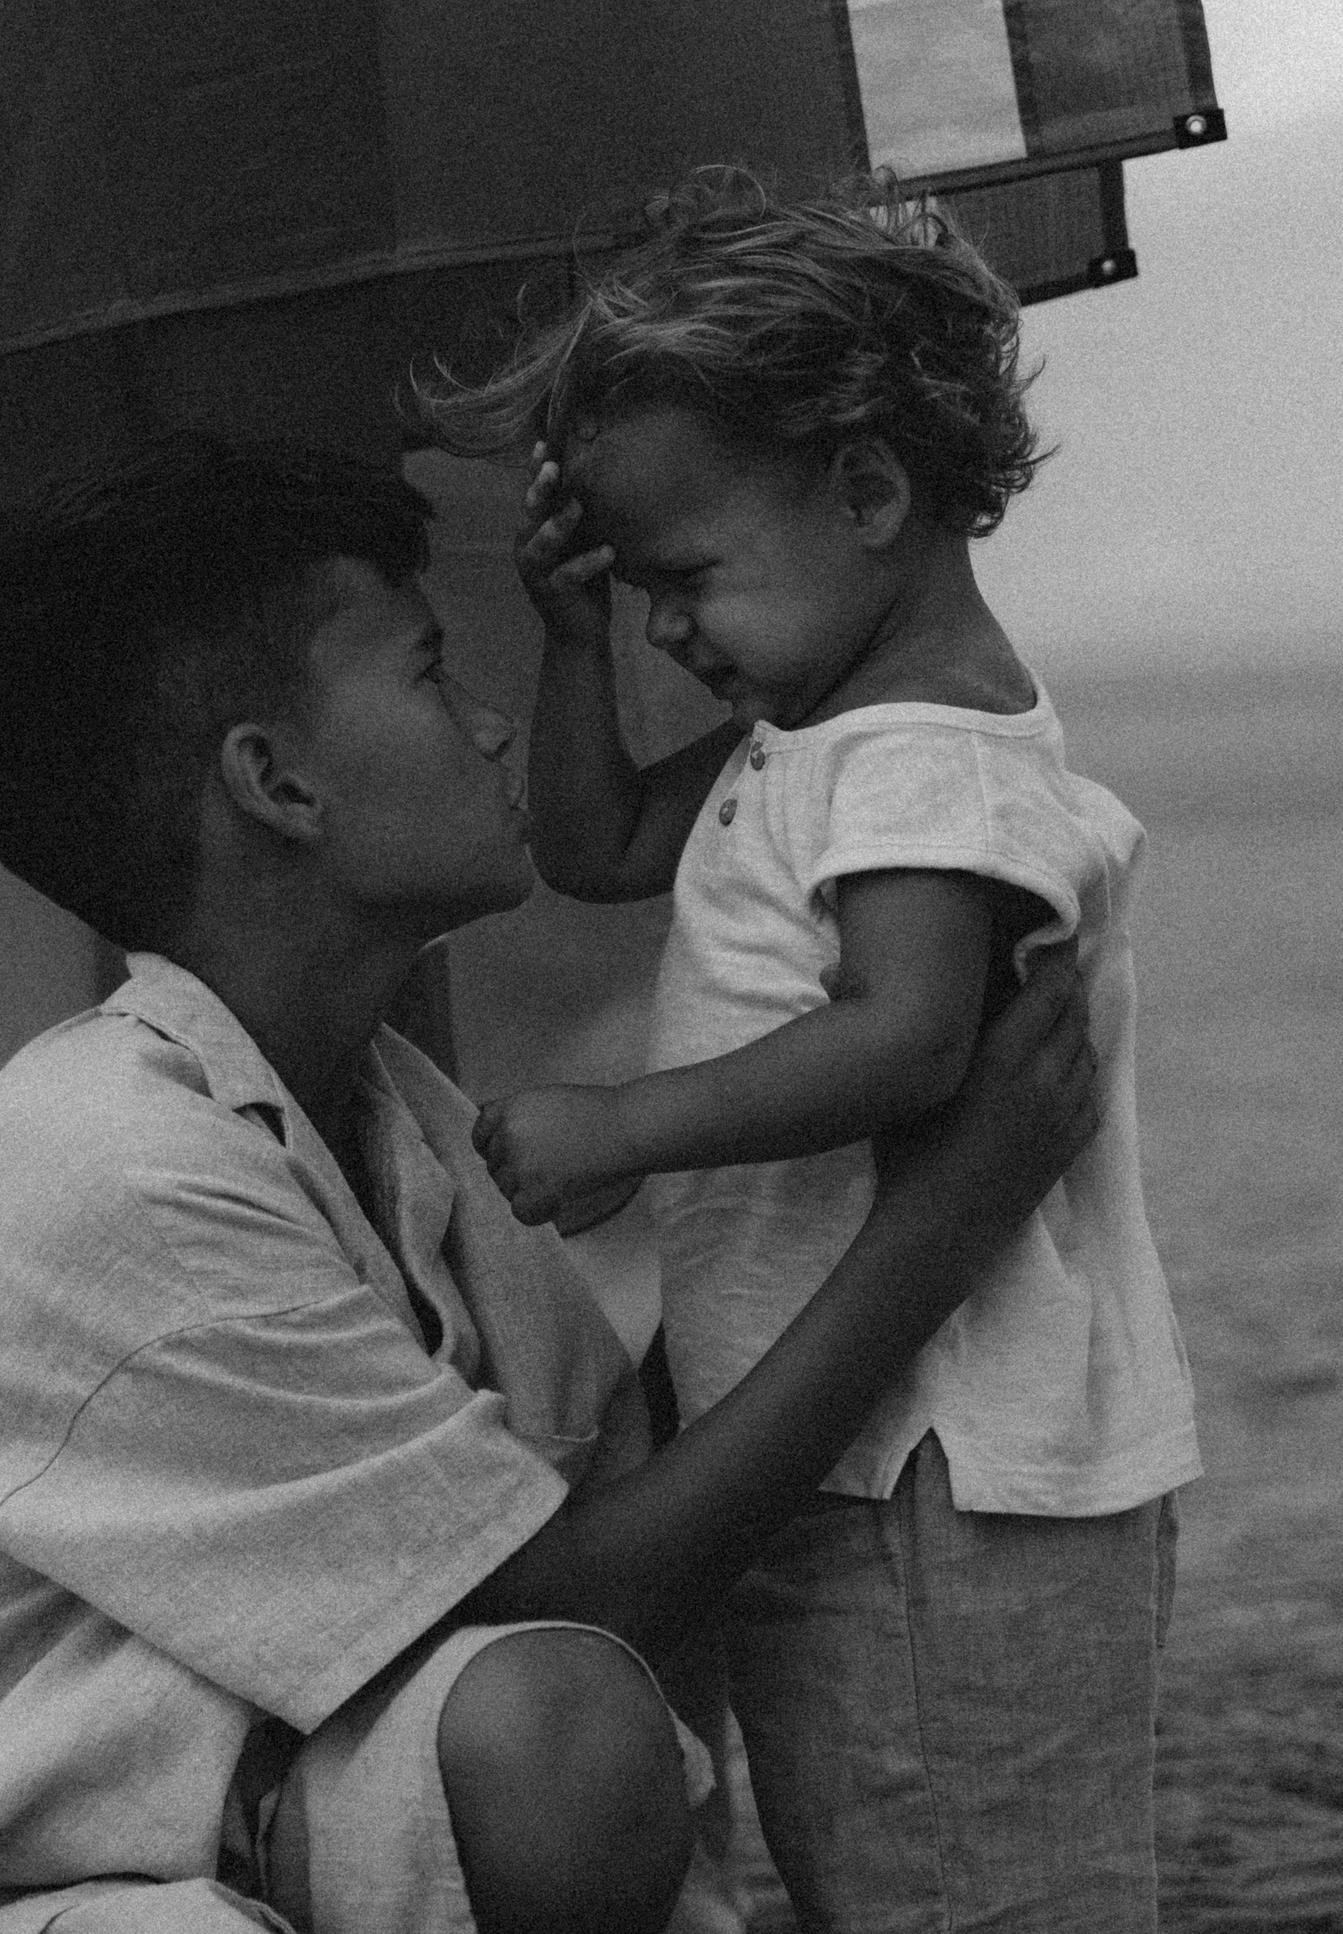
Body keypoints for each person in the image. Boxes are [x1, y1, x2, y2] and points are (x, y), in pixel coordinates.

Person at [0, 436, 1100, 1934]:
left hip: (268, 1836)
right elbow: (584, 1591)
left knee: (559, 1736)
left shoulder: (384, 1109)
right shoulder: (117, 1159)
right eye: (427, 674)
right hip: (36, 1903)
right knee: (551, 1716)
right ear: (278, 783)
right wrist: (934, 1229)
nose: (491, 727)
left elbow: (618, 1496)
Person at [440, 176, 1198, 1928]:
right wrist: (571, 650)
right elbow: (604, 841)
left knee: (954, 1876)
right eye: (636, 596)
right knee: (896, 1858)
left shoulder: (922, 763)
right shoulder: (828, 730)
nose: (672, 630)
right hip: (879, 1455)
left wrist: (636, 1117)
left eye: (687, 577)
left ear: (867, 489)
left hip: (940, 1480)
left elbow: (914, 1038)